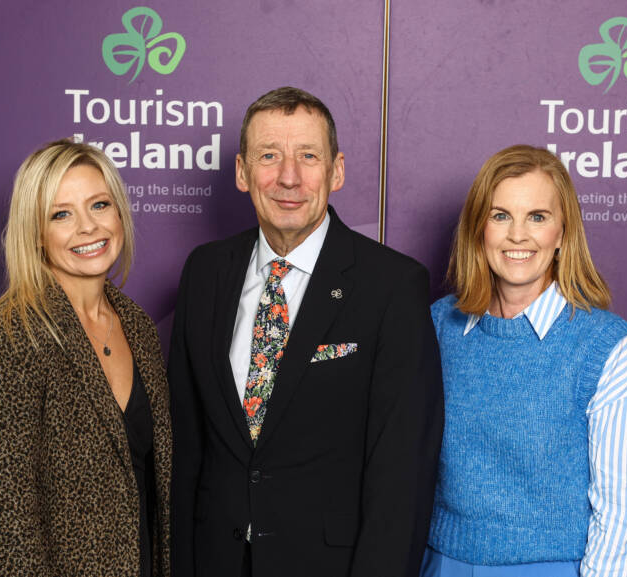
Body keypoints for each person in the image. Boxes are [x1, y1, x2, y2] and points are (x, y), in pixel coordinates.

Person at [168, 86, 444, 577]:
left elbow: (402, 474)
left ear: (336, 170)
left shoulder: (392, 285)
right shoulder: (205, 273)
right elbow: (185, 450)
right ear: (242, 171)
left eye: (308, 156)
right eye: (269, 155)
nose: (288, 177)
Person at [424, 145, 627, 577]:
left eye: (537, 216)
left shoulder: (605, 347)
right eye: (500, 216)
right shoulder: (437, 326)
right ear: (479, 229)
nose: (518, 235)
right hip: (440, 564)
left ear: (563, 233)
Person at [0, 139, 172, 577]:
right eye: (61, 214)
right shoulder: (3, 338)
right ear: (35, 232)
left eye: (99, 205)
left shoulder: (138, 327)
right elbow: (5, 534)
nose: (88, 227)